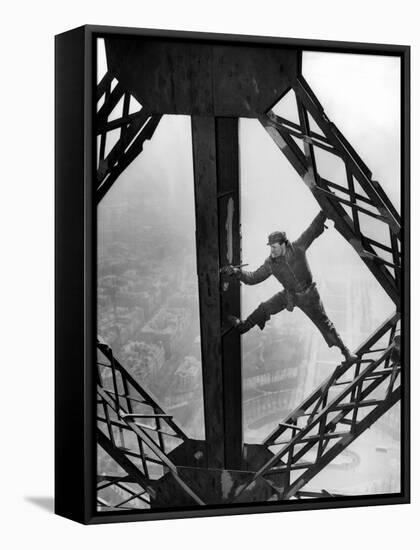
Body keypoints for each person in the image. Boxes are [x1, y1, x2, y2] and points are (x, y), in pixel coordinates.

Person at [222, 210, 356, 363]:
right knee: (264, 308)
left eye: (274, 247)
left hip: (310, 296)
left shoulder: (298, 248)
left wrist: (325, 209)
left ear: (284, 244)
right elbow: (253, 278)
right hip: (289, 295)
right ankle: (242, 327)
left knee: (325, 325)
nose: (271, 251)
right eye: (270, 247)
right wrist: (236, 272)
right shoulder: (271, 263)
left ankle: (346, 353)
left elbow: (312, 229)